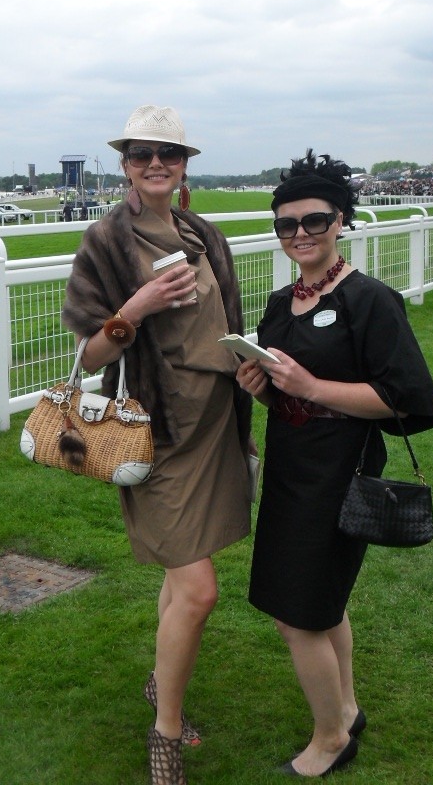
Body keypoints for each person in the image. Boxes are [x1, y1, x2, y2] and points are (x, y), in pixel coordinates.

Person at [236, 150, 433, 778]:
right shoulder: (281, 303)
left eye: (315, 221)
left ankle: (330, 736)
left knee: (296, 614)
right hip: (290, 467)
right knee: (321, 603)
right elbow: (286, 387)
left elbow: (405, 399)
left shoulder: (370, 301)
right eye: (286, 224)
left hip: (339, 470)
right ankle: (346, 708)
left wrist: (309, 386)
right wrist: (263, 387)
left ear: (342, 222)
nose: (300, 234)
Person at [61, 106, 252, 785]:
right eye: (142, 154)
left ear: (183, 163)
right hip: (157, 433)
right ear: (125, 164)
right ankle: (165, 731)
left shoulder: (205, 234)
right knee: (199, 590)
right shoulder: (106, 241)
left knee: (183, 580)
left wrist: (250, 366)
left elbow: (225, 322)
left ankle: (160, 684)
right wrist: (135, 308)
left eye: (168, 153)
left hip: (214, 428)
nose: (155, 164)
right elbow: (88, 352)